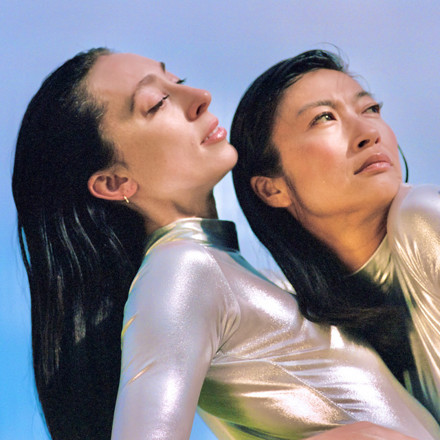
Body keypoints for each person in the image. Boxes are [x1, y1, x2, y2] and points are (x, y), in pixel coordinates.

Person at [12, 48, 439, 440]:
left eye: (178, 80)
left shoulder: (242, 277)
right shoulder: (181, 270)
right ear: (115, 182)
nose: (200, 97)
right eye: (157, 103)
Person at [231, 49, 440, 427]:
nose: (369, 133)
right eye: (325, 117)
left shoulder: (423, 216)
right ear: (272, 189)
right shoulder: (300, 318)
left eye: (370, 109)